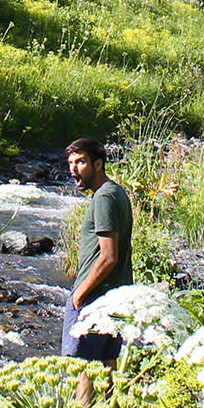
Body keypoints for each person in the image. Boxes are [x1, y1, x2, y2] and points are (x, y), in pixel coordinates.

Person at [61, 136, 133, 364]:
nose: (74, 170)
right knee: (106, 369)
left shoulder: (104, 197)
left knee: (81, 370)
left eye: (80, 162)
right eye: (71, 163)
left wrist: (79, 296)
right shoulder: (116, 192)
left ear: (98, 164)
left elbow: (109, 256)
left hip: (94, 298)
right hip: (116, 297)